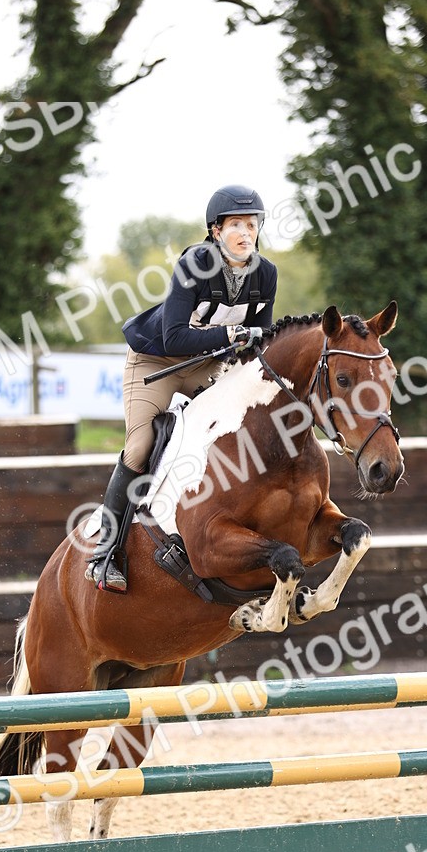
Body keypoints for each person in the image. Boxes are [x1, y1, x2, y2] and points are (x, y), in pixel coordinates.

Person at [86, 184, 278, 592]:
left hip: (208, 366)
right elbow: (173, 338)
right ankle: (105, 553)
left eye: (252, 225)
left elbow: (260, 338)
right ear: (215, 231)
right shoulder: (195, 265)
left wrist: (252, 344)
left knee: (235, 434)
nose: (246, 233)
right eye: (236, 225)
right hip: (157, 364)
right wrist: (230, 334)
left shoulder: (266, 275)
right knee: (140, 447)